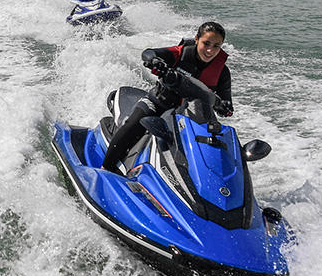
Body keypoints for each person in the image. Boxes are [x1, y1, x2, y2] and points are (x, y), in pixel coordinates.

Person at [99, 21, 234, 174]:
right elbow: (149, 53)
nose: (210, 50)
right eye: (206, 43)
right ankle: (106, 167)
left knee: (215, 144)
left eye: (216, 46)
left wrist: (225, 107)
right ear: (197, 39)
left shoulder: (222, 72)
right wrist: (155, 61)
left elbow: (226, 103)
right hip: (158, 104)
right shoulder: (180, 53)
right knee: (133, 124)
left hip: (192, 117)